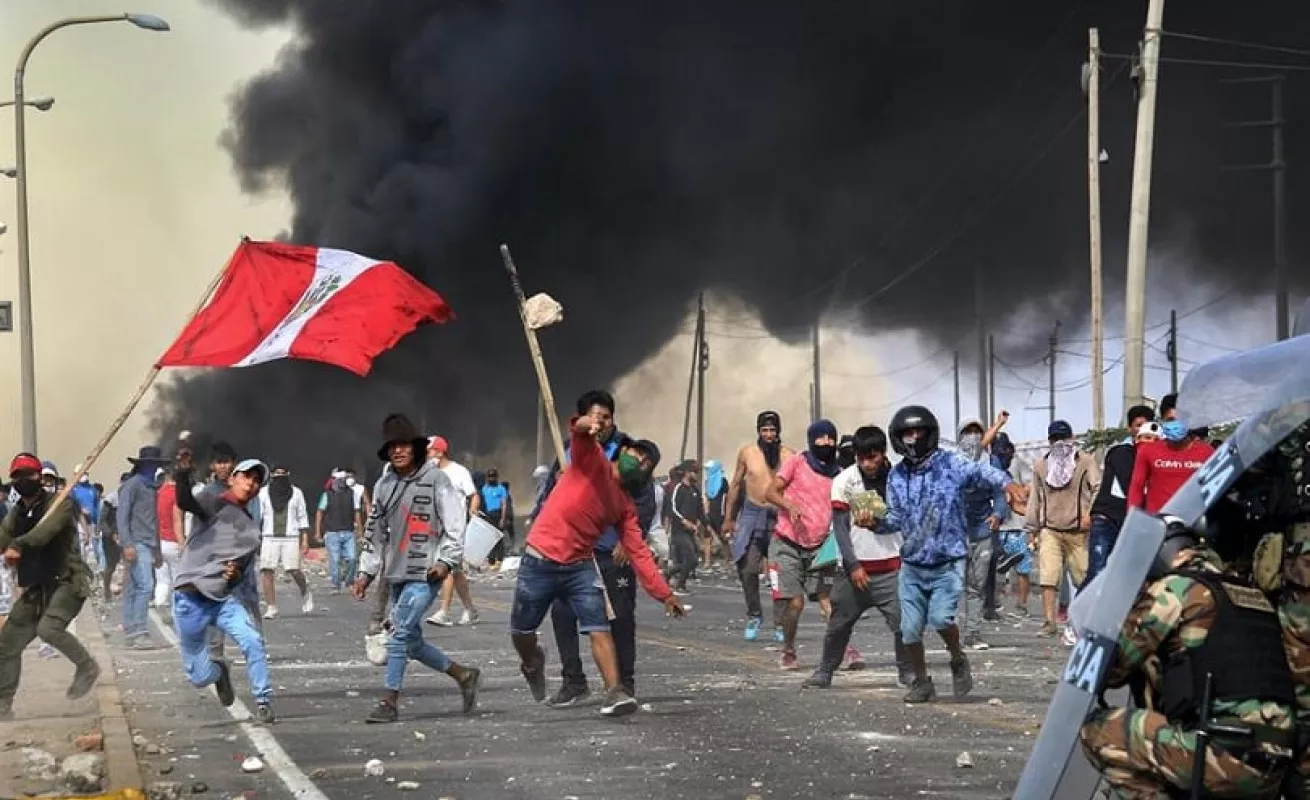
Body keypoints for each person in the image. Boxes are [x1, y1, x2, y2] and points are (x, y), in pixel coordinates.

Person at [1080, 520, 1295, 798]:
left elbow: (1111, 667)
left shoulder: (1176, 588)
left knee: (1099, 731)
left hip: (1222, 754)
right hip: (1275, 764)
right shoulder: (1251, 595)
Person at [512, 405, 684, 717]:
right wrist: (584, 424)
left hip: (579, 565)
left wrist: (665, 594)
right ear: (623, 452)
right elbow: (577, 431)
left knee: (598, 626)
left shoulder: (624, 506)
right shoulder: (592, 461)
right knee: (522, 632)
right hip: (539, 559)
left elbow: (639, 553)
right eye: (638, 454)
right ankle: (532, 661)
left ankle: (615, 691)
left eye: (647, 463)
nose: (641, 462)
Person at [353, 414, 481, 723]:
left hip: (426, 574)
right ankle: (463, 675)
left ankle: (389, 701)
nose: (398, 451)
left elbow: (454, 525)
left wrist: (446, 561)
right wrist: (365, 573)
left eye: (404, 445)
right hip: (395, 573)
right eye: (392, 446)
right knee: (410, 641)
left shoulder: (438, 480)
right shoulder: (384, 486)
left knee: (397, 634)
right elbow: (375, 533)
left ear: (416, 448)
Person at [537, 390, 662, 706]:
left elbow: (644, 500)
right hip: (572, 550)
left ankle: (624, 683)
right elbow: (551, 494)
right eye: (595, 417)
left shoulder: (628, 452)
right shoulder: (568, 451)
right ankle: (573, 681)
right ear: (583, 419)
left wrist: (629, 539)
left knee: (620, 617)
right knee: (563, 614)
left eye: (606, 417)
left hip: (611, 547)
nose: (601, 423)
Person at [885, 405, 1014, 703]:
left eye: (918, 432)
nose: (913, 438)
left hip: (948, 560)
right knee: (909, 631)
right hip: (913, 564)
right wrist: (874, 521)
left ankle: (957, 658)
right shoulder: (896, 476)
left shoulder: (950, 463)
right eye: (907, 433)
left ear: (930, 434)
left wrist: (1009, 484)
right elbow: (894, 518)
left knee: (942, 619)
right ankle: (921, 681)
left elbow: (981, 469)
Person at [171, 453, 276, 723]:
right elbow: (184, 501)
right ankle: (218, 671)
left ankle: (263, 700)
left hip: (220, 600)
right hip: (189, 596)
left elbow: (239, 573)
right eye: (246, 477)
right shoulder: (211, 502)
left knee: (252, 640)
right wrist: (182, 474)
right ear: (233, 479)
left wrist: (234, 573)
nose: (250, 483)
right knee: (199, 677)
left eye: (256, 480)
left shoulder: (251, 532)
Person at [804, 426, 912, 688]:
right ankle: (825, 670)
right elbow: (840, 528)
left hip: (892, 567)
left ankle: (907, 672)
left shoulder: (901, 478)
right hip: (855, 569)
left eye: (872, 457)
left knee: (904, 624)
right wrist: (852, 565)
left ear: (883, 453)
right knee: (839, 623)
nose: (867, 464)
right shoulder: (845, 481)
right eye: (861, 458)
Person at [0, 454, 101, 717]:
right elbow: (3, 537)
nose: (24, 480)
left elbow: (42, 534)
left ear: (40, 478)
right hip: (38, 586)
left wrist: (17, 545)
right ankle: (3, 706)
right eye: (18, 476)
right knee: (7, 643)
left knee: (49, 629)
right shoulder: (17, 513)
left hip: (67, 581)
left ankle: (87, 666)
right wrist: (8, 544)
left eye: (29, 475)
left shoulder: (60, 504)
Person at [764, 419, 842, 671]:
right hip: (787, 542)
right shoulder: (797, 462)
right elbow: (771, 492)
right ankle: (788, 649)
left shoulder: (838, 474)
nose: (826, 443)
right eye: (821, 438)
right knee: (794, 602)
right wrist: (789, 506)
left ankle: (843, 649)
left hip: (819, 546)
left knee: (829, 600)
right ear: (812, 440)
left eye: (830, 438)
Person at [1024, 420, 1100, 641]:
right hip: (1050, 529)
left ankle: (1085, 621)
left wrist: (1090, 514)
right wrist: (1031, 528)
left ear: (1072, 438)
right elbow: (1034, 499)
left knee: (1084, 576)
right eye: (1055, 439)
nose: (1060, 443)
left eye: (1063, 438)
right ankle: (1049, 622)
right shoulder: (1041, 466)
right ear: (1049, 442)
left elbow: (1097, 488)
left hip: (1078, 530)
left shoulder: (1085, 462)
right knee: (1049, 577)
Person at [723, 411, 796, 641]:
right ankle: (754, 614)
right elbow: (735, 485)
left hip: (779, 515)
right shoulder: (747, 453)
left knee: (779, 573)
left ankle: (780, 624)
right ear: (758, 432)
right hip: (752, 513)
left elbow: (796, 488)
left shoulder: (790, 455)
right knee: (748, 568)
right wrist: (728, 518)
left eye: (772, 430)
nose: (768, 434)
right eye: (764, 430)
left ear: (778, 432)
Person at [1085, 404, 1156, 588]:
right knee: (1097, 573)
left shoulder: (1155, 458)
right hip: (1107, 520)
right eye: (1138, 425)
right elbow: (1131, 485)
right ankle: (1080, 615)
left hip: (1131, 523)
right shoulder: (1121, 452)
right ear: (1130, 429)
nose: (1142, 430)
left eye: (1147, 425)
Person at [954, 418, 1008, 650]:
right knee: (954, 584)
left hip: (982, 530)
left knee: (977, 584)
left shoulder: (991, 462)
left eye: (978, 432)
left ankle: (972, 632)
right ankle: (952, 632)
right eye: (968, 432)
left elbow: (1000, 493)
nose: (974, 437)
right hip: (955, 532)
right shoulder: (951, 463)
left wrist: (997, 514)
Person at [117, 445, 172, 648]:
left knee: (135, 587)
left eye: (155, 465)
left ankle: (132, 630)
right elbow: (122, 516)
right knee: (145, 586)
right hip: (136, 542)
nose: (153, 468)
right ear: (143, 466)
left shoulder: (154, 488)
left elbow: (155, 520)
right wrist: (127, 543)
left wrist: (157, 549)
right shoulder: (132, 485)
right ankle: (139, 631)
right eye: (150, 465)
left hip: (148, 543)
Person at [424, 436, 481, 627]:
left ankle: (444, 612)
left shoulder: (458, 472)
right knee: (456, 572)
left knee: (446, 567)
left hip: (455, 529)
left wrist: (472, 514)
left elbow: (473, 495)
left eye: (429, 451)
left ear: (439, 452)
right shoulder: (428, 473)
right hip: (435, 528)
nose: (426, 455)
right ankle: (470, 609)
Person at [1129, 414, 1215, 515]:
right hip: (1158, 522)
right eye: (1170, 420)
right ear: (1162, 421)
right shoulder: (1147, 451)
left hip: (1194, 521)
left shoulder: (1207, 452)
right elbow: (1136, 489)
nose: (1175, 424)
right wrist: (1132, 520)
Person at [258, 466, 313, 619]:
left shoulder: (296, 493)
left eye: (283, 474)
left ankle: (305, 590)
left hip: (290, 536)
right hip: (269, 536)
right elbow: (259, 515)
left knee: (293, 569)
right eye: (277, 474)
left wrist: (305, 540)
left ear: (288, 475)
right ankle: (271, 606)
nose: (280, 477)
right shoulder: (263, 493)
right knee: (267, 570)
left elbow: (302, 516)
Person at [318, 470, 363, 593]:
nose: (342, 483)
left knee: (353, 558)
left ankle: (348, 581)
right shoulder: (327, 495)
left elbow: (357, 511)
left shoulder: (351, 493)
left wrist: (360, 530)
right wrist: (318, 532)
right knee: (335, 560)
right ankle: (335, 584)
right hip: (332, 532)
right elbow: (320, 512)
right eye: (340, 480)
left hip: (348, 532)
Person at [667, 461, 703, 594]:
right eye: (694, 472)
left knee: (694, 560)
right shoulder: (679, 488)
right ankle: (680, 585)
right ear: (687, 473)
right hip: (679, 531)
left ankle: (669, 572)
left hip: (690, 532)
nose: (696, 475)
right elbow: (673, 508)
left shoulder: (695, 491)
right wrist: (684, 521)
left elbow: (700, 511)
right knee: (691, 558)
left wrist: (706, 526)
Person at [153, 469, 182, 624]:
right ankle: (176, 611)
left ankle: (159, 601)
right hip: (174, 541)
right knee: (178, 579)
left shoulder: (158, 493)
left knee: (162, 579)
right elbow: (179, 520)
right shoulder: (178, 494)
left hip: (159, 542)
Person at [701, 459, 731, 569]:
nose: (707, 471)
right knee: (707, 537)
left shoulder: (723, 481)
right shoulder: (708, 481)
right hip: (710, 513)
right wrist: (705, 513)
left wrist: (727, 515)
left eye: (709, 468)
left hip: (720, 513)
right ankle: (707, 562)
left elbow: (727, 498)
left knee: (723, 537)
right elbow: (707, 499)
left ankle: (727, 559)